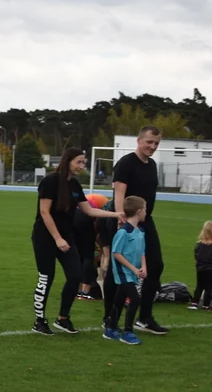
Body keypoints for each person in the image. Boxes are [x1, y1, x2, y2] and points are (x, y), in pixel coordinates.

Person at [31, 147, 122, 336]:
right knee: (46, 278)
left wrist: (116, 214)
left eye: (84, 162)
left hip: (66, 238)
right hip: (45, 238)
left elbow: (88, 210)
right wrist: (57, 239)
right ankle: (39, 321)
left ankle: (63, 318)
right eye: (79, 162)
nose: (82, 165)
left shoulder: (75, 185)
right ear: (68, 161)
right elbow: (44, 212)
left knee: (75, 276)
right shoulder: (50, 181)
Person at [112, 126, 167, 335]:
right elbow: (119, 193)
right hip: (127, 222)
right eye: (149, 142)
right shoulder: (126, 163)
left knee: (155, 265)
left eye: (156, 143)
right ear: (139, 140)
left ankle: (144, 317)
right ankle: (111, 317)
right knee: (119, 272)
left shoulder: (152, 165)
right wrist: (121, 219)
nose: (152, 147)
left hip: (146, 222)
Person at [105, 196, 148, 346]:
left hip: (133, 271)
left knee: (120, 299)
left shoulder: (140, 231)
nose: (146, 213)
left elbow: (142, 251)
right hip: (123, 272)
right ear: (139, 211)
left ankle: (110, 328)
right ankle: (128, 332)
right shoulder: (124, 232)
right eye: (145, 210)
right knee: (135, 299)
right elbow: (116, 253)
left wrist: (143, 267)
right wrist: (134, 269)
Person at [190, 221, 212, 310]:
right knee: (209, 287)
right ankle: (206, 305)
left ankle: (194, 303)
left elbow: (196, 255)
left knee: (199, 286)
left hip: (200, 268)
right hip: (210, 269)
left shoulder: (199, 244)